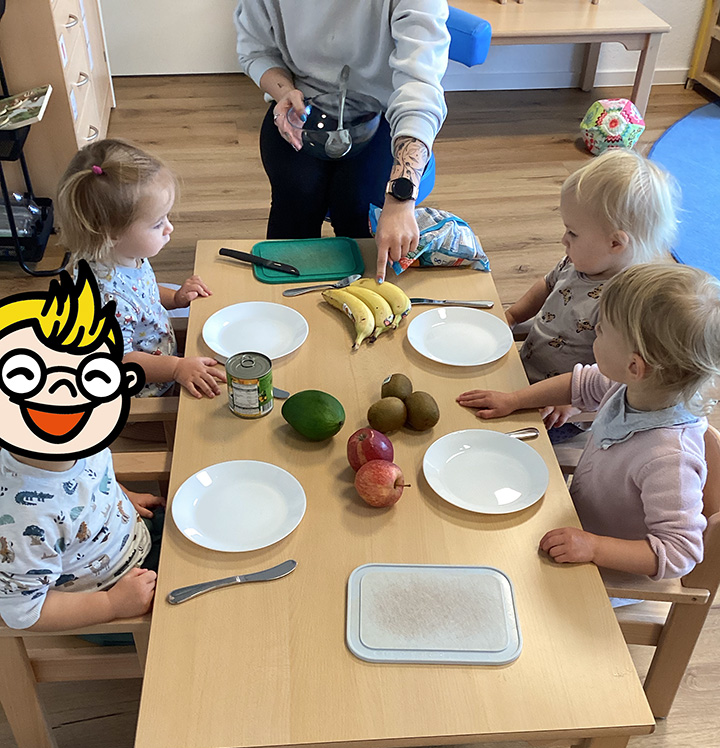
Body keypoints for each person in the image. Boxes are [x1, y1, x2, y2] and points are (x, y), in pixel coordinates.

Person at [457, 264, 720, 580]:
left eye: (603, 329)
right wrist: (513, 400)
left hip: (601, 572)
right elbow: (581, 384)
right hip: (575, 522)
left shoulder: (670, 460)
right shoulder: (634, 387)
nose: (595, 329)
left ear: (635, 366)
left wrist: (594, 547)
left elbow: (681, 552)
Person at [234, 0, 450, 280]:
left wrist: (401, 196)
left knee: (360, 210)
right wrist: (284, 92)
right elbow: (257, 51)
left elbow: (419, 89)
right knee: (296, 198)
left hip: (384, 110)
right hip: (303, 102)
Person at [0, 265, 163, 634]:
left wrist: (120, 496)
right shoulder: (21, 521)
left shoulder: (83, 436)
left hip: (134, 540)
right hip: (105, 604)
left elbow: (88, 479)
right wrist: (112, 605)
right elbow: (24, 613)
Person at [508, 149, 679, 436]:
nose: (564, 239)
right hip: (526, 371)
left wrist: (574, 405)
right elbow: (546, 284)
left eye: (573, 233)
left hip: (558, 408)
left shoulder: (623, 302)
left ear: (615, 243)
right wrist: (513, 315)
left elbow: (621, 376)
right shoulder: (578, 261)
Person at [56, 139, 225, 399]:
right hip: (145, 391)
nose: (169, 228)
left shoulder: (122, 254)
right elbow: (120, 360)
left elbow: (141, 292)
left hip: (164, 358)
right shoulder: (108, 299)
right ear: (111, 233)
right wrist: (176, 368)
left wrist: (176, 298)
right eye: (157, 224)